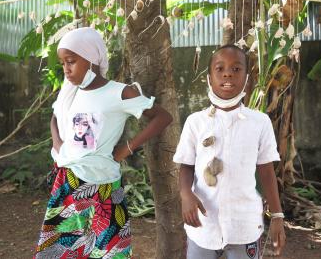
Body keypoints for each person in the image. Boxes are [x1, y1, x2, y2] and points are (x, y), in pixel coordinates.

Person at [34, 27, 172, 259]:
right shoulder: (71, 93)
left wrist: (126, 149)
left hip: (105, 187)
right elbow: (56, 117)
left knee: (110, 251)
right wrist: (58, 144)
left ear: (91, 58)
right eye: (63, 63)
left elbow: (163, 117)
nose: (66, 69)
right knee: (65, 251)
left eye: (71, 61)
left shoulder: (118, 93)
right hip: (69, 183)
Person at [174, 45, 286, 259]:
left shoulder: (259, 122)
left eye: (236, 69)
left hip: (245, 224)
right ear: (209, 77)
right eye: (220, 68)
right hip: (203, 225)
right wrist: (186, 194)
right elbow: (186, 165)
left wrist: (278, 215)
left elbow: (266, 171)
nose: (227, 73)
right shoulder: (195, 122)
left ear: (246, 78)